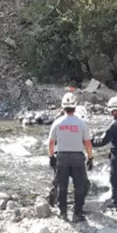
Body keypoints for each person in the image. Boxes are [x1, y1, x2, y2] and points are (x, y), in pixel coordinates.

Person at [47, 92, 93, 222]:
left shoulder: (57, 122)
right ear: (75, 106)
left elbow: (51, 142)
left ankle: (63, 212)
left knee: (62, 186)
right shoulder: (81, 123)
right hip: (78, 157)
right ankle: (77, 212)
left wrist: (51, 156)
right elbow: (88, 143)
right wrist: (90, 158)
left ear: (63, 107)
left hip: (62, 157)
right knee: (79, 186)